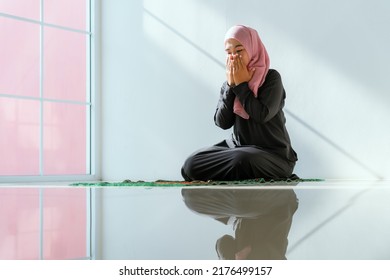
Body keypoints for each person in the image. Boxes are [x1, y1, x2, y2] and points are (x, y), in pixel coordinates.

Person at [181, 25, 298, 181]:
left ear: (252, 49)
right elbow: (222, 122)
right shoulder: (229, 84)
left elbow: (262, 115)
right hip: (237, 148)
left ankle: (237, 170)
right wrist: (231, 87)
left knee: (242, 159)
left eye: (239, 50)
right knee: (190, 165)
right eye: (229, 53)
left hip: (273, 154)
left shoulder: (271, 78)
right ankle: (237, 170)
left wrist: (242, 85)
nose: (233, 57)